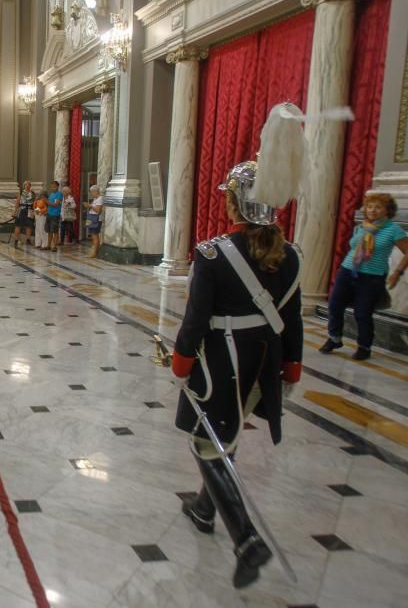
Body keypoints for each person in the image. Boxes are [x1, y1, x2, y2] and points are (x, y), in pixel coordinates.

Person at [170, 104, 304, 590]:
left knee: (208, 444)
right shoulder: (290, 255)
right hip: (264, 362)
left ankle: (246, 539)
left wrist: (181, 362)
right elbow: (292, 318)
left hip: (220, 361)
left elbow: (195, 320)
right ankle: (204, 509)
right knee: (225, 435)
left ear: (236, 204)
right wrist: (293, 364)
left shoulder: (212, 254)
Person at [320, 192, 408, 361]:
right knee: (335, 306)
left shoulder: (393, 229)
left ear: (387, 210)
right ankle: (334, 338)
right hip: (347, 271)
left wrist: (397, 272)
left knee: (362, 313)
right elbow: (354, 248)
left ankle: (364, 346)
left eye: (378, 207)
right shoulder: (363, 226)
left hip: (372, 277)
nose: (373, 210)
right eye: (370, 206)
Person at [11, 181, 34, 247]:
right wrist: (15, 212)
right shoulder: (21, 192)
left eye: (29, 185)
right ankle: (16, 240)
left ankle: (28, 240)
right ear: (24, 186)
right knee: (18, 225)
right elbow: (17, 202)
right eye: (26, 185)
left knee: (29, 225)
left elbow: (34, 202)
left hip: (30, 210)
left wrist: (34, 210)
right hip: (21, 209)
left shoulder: (32, 193)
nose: (27, 186)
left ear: (30, 186)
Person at [86, 185, 104, 258]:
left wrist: (90, 206)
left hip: (96, 220)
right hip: (93, 219)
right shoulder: (96, 199)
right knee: (94, 236)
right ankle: (95, 252)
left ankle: (94, 253)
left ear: (95, 191)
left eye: (91, 192)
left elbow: (98, 211)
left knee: (95, 236)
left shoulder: (100, 198)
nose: (91, 194)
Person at [46, 180, 63, 251]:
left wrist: (46, 201)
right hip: (49, 214)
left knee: (55, 231)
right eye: (51, 187)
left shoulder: (59, 194)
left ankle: (54, 246)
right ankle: (48, 245)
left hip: (55, 215)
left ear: (57, 187)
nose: (53, 188)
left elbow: (56, 205)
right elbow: (49, 204)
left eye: (54, 187)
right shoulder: (51, 194)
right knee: (49, 230)